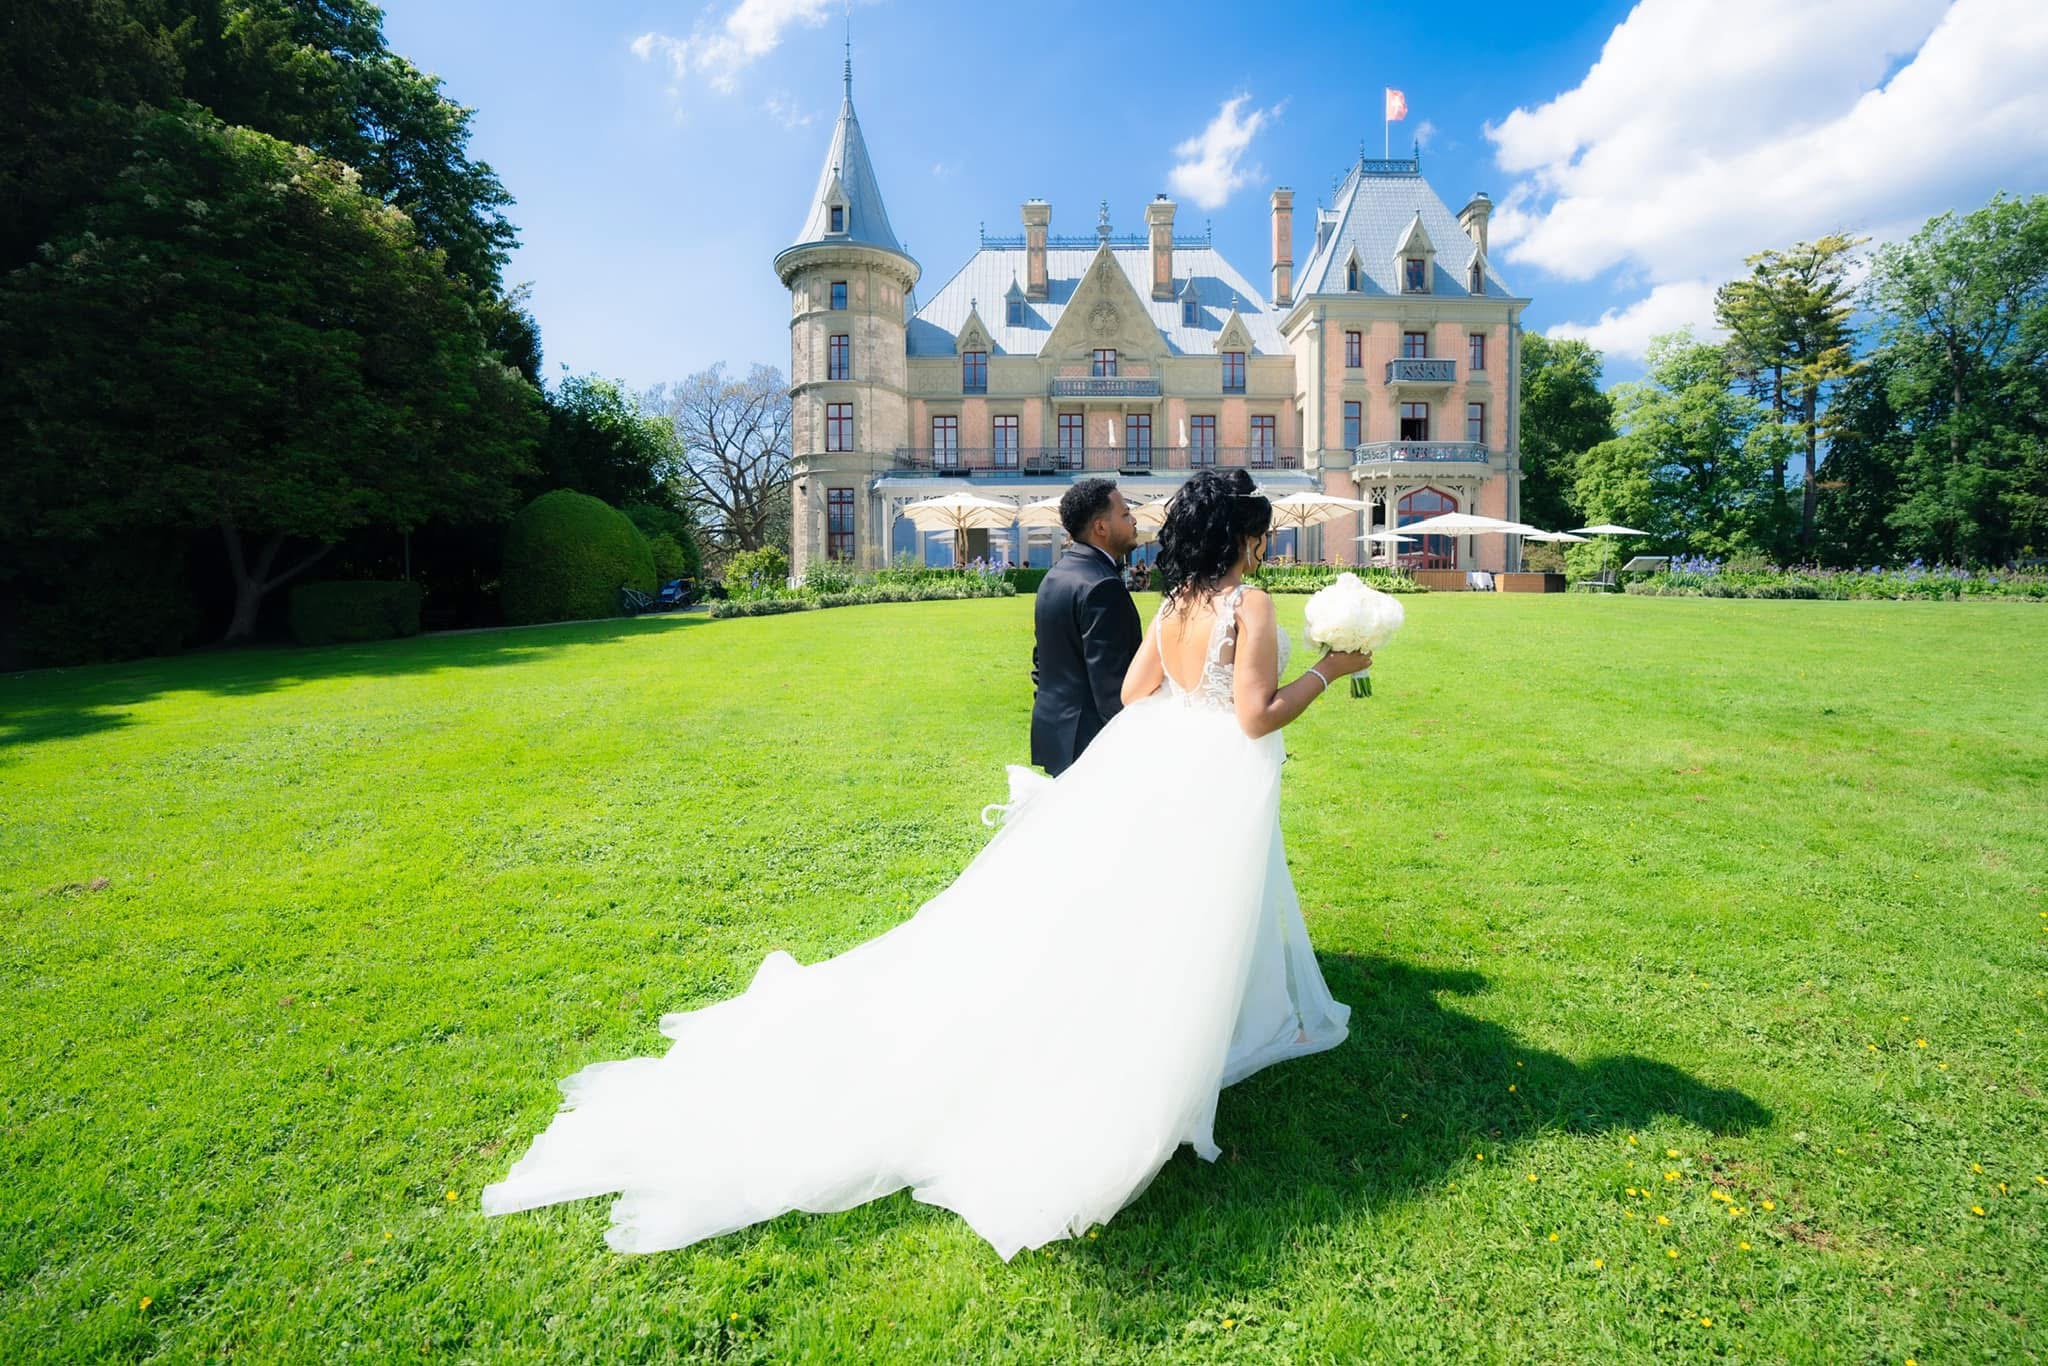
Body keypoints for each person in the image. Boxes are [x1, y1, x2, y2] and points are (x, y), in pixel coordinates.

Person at [480, 467, 1373, 1261]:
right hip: (1206, 776)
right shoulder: (1246, 604)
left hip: (1156, 761)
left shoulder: (1176, 601)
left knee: (1136, 915)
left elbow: (1140, 691)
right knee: (1188, 914)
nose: (1264, 547)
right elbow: (1255, 715)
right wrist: (1332, 669)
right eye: (1261, 535)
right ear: (1245, 537)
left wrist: (1194, 701)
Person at [1029, 479, 1141, 777]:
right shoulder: (1103, 585)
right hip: (1092, 744)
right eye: (1126, 514)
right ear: (1101, 527)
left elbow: (1043, 660)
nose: (1134, 521)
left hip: (1057, 731)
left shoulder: (1054, 576)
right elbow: (1111, 688)